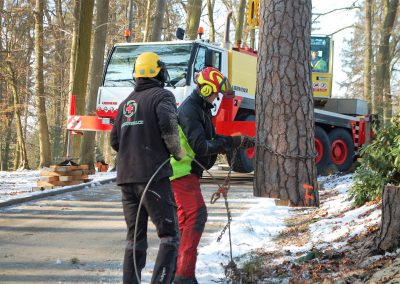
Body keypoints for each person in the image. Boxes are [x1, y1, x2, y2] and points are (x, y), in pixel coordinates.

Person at [170, 67, 254, 283]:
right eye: (216, 92)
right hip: (182, 172)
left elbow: (210, 136)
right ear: (206, 88)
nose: (217, 97)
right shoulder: (190, 111)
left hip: (187, 173)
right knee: (197, 215)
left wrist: (235, 140)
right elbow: (200, 146)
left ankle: (177, 271)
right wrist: (229, 143)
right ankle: (184, 276)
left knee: (186, 222)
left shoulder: (201, 108)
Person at [110, 52, 185, 284]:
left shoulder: (126, 103)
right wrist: (177, 152)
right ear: (158, 71)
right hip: (153, 177)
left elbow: (114, 141)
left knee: (134, 237)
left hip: (126, 179)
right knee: (170, 235)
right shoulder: (163, 96)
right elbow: (169, 128)